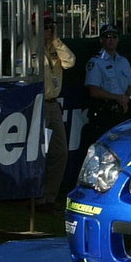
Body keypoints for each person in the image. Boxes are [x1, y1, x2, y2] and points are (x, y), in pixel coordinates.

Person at [37, 14, 77, 207]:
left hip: (54, 104)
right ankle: (36, 196)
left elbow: (70, 62)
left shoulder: (55, 47)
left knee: (60, 152)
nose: (49, 29)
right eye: (45, 26)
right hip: (37, 104)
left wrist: (56, 40)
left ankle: (49, 197)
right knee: (38, 152)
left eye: (51, 26)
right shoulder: (28, 48)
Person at [84, 24, 131, 140]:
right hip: (105, 112)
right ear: (101, 40)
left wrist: (127, 98)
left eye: (114, 36)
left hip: (123, 110)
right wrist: (117, 98)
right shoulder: (96, 62)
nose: (111, 40)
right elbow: (94, 91)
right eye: (107, 37)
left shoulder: (124, 61)